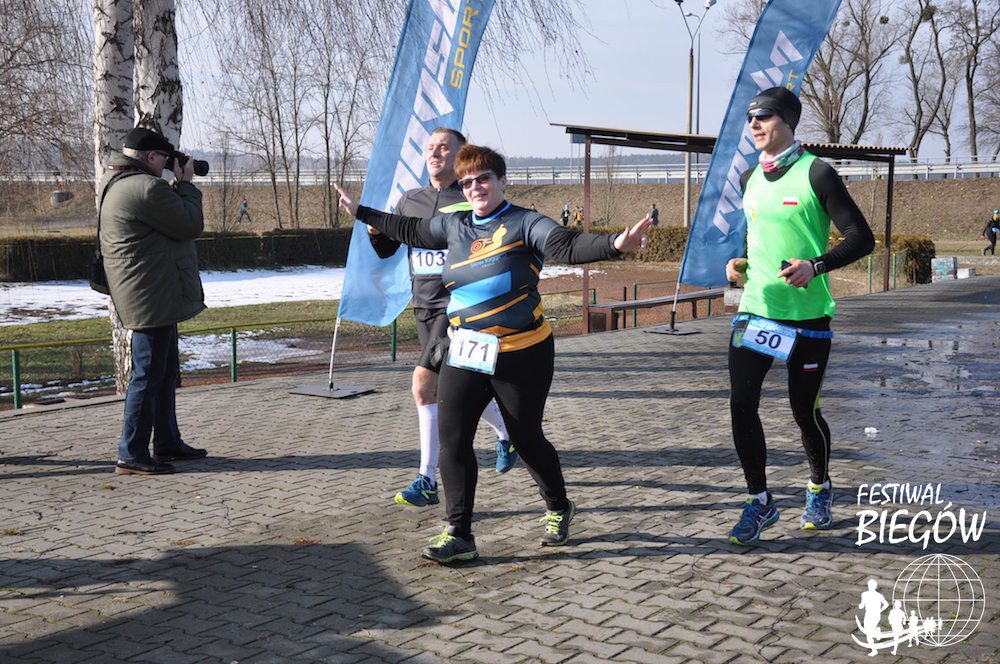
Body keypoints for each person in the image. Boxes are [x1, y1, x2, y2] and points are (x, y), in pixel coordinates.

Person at [336, 144, 651, 563]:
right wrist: (362, 213)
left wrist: (615, 243)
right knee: (453, 438)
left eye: (483, 178)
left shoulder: (524, 222)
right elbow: (408, 228)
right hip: (466, 348)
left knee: (527, 437)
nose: (475, 187)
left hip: (522, 352)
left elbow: (566, 245)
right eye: (467, 182)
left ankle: (559, 505)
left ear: (502, 180)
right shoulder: (455, 225)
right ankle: (459, 533)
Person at [725, 87, 875, 545]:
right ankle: (759, 501)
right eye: (750, 118)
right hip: (756, 312)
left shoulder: (818, 173)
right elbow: (756, 235)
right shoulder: (750, 176)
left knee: (803, 412)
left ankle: (819, 487)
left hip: (807, 319)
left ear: (788, 121)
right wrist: (740, 262)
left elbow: (862, 238)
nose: (754, 125)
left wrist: (816, 265)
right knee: (741, 404)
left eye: (764, 116)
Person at [367, 127, 517, 508]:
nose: (434, 153)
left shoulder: (470, 200)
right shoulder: (410, 200)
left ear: (460, 155)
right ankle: (508, 433)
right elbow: (387, 250)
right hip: (423, 307)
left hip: (457, 310)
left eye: (444, 147)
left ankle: (426, 479)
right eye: (430, 147)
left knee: (423, 385)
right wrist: (376, 231)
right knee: (448, 389)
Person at [100, 127, 208, 475]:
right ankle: (131, 452)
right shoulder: (146, 188)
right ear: (150, 157)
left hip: (149, 290)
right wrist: (185, 184)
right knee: (148, 375)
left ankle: (166, 442)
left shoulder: (117, 181)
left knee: (163, 371)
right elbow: (190, 224)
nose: (167, 164)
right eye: (164, 157)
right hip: (150, 295)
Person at [858, 579, 889, 656]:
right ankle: (876, 631)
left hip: (874, 615)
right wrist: (860, 606)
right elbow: (862, 604)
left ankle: (874, 650)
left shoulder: (878, 595)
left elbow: (886, 604)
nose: (871, 587)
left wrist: (880, 610)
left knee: (868, 633)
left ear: (875, 586)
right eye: (870, 585)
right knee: (868, 632)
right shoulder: (865, 594)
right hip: (868, 614)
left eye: (872, 585)